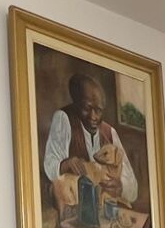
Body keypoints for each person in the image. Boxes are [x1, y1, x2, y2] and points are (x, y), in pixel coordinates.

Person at [41, 73, 138, 206]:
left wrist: (120, 187)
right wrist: (65, 165)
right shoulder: (64, 119)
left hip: (104, 207)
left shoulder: (109, 133)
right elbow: (50, 166)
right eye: (87, 108)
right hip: (74, 206)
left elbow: (133, 188)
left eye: (98, 110)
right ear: (77, 104)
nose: (93, 116)